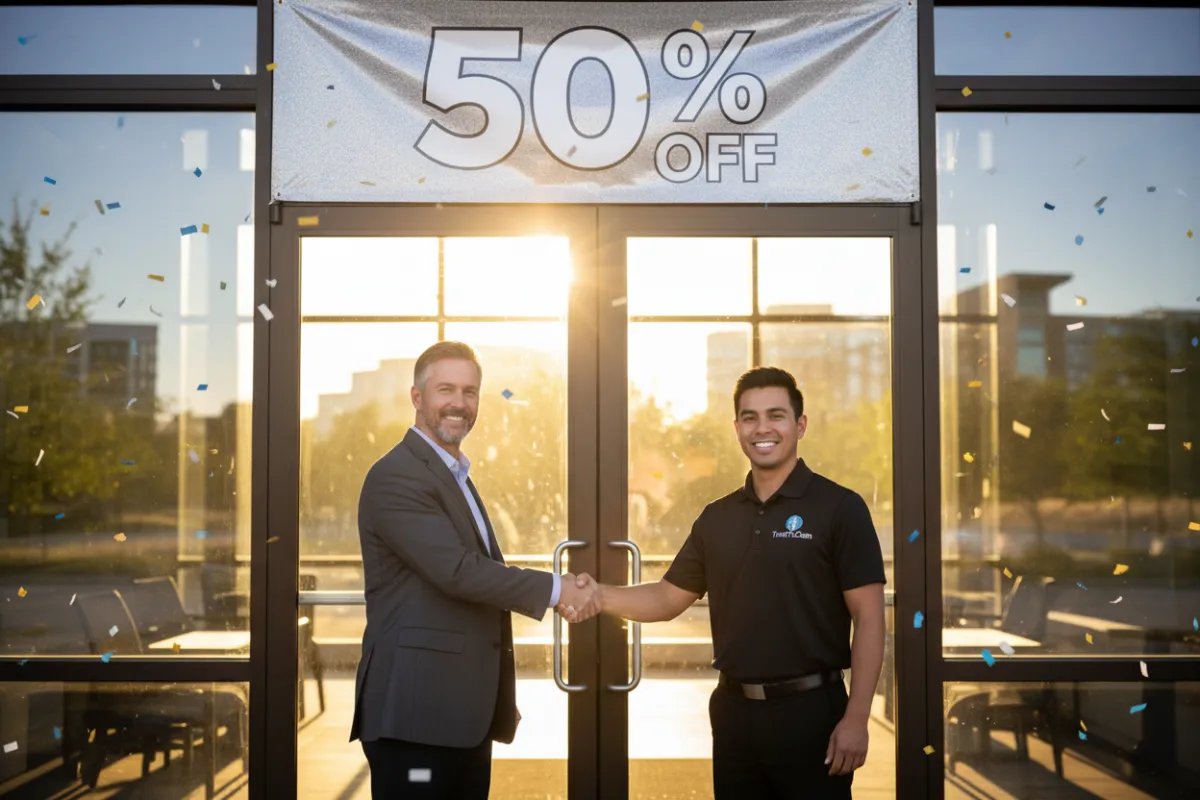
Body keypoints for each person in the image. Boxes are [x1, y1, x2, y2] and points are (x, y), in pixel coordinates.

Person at [571, 366, 886, 799]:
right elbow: (666, 598)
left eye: (776, 415)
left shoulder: (840, 508)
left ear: (800, 424)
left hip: (812, 715)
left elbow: (869, 619)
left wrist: (857, 718)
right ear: (737, 428)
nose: (763, 428)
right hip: (734, 714)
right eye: (750, 418)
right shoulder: (717, 518)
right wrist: (598, 595)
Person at [350, 341, 600, 799]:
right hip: (416, 720)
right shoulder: (397, 476)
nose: (459, 403)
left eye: (470, 392)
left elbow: (474, 575)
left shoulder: (453, 475)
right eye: (446, 389)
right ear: (417, 396)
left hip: (460, 717)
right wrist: (556, 587)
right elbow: (459, 572)